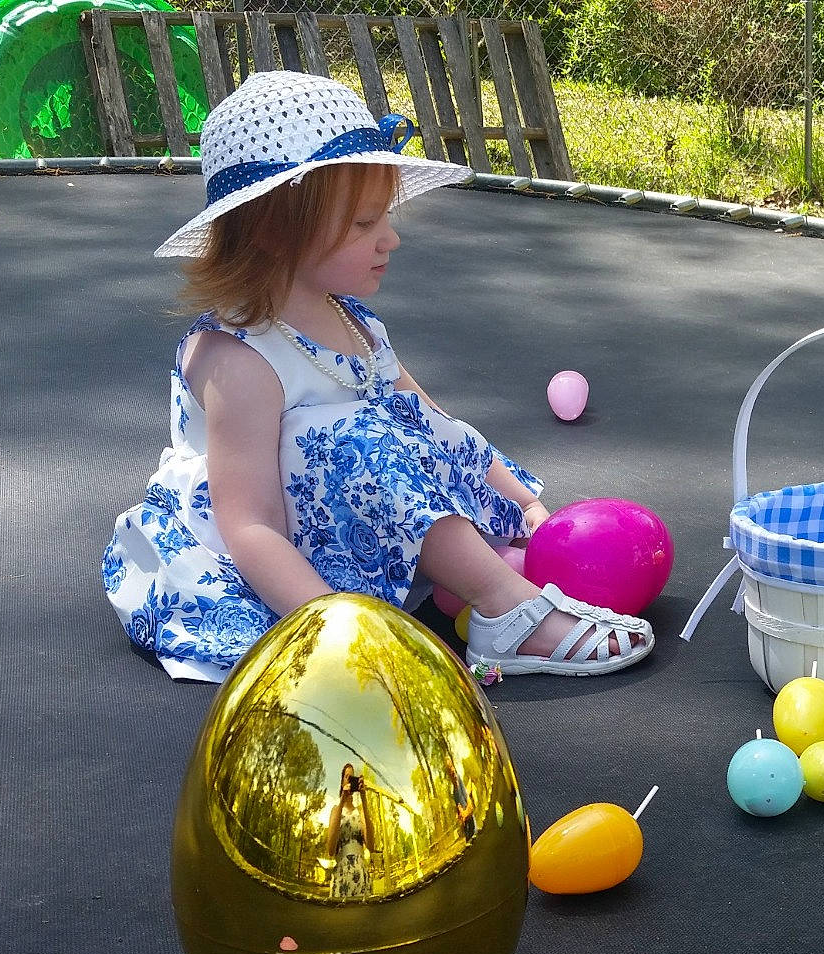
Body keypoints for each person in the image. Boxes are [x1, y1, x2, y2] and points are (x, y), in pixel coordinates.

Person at [103, 71, 652, 682]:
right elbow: (251, 527)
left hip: (338, 524)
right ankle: (505, 610)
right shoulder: (237, 358)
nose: (389, 238)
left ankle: (481, 565)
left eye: (383, 217)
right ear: (273, 231)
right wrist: (339, 631)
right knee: (349, 442)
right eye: (363, 224)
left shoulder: (353, 321)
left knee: (404, 421)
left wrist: (525, 507)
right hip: (261, 565)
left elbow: (435, 425)